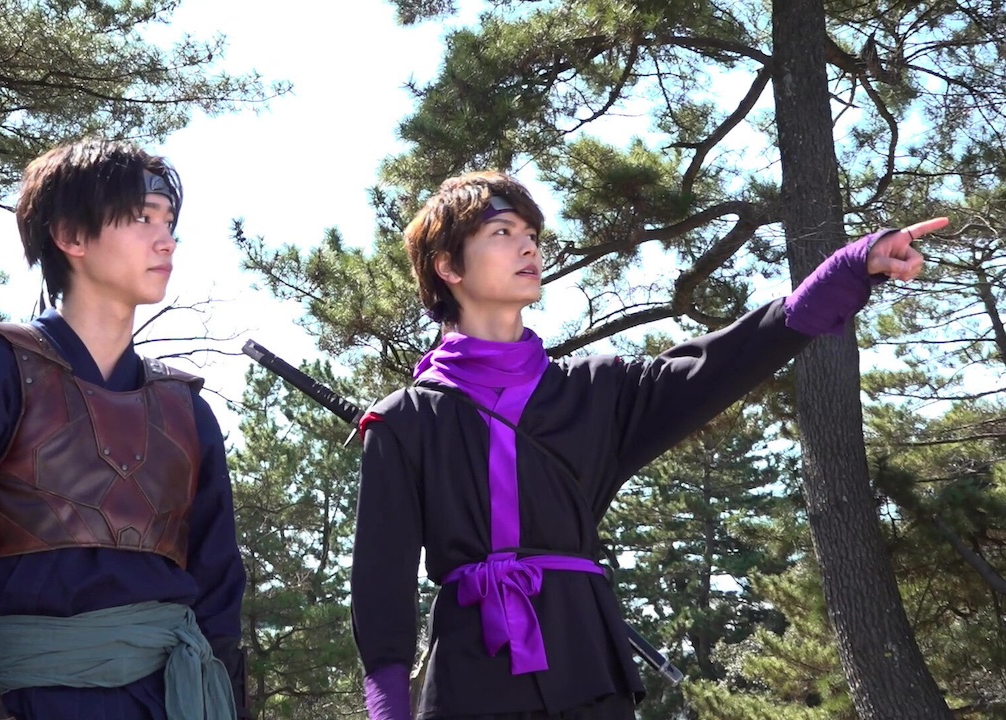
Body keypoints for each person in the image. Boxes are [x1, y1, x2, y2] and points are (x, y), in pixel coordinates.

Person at [349, 171, 943, 720]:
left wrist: (847, 270)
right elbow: (382, 597)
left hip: (589, 668)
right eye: (502, 233)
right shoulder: (403, 420)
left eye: (531, 234)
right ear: (448, 266)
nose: (529, 246)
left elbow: (722, 363)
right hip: (470, 681)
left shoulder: (598, 391)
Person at [0, 137, 250, 720]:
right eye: (142, 218)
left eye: (169, 221)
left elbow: (219, 604)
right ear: (70, 235)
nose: (166, 239)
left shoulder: (185, 410)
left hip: (179, 701)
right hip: (28, 702)